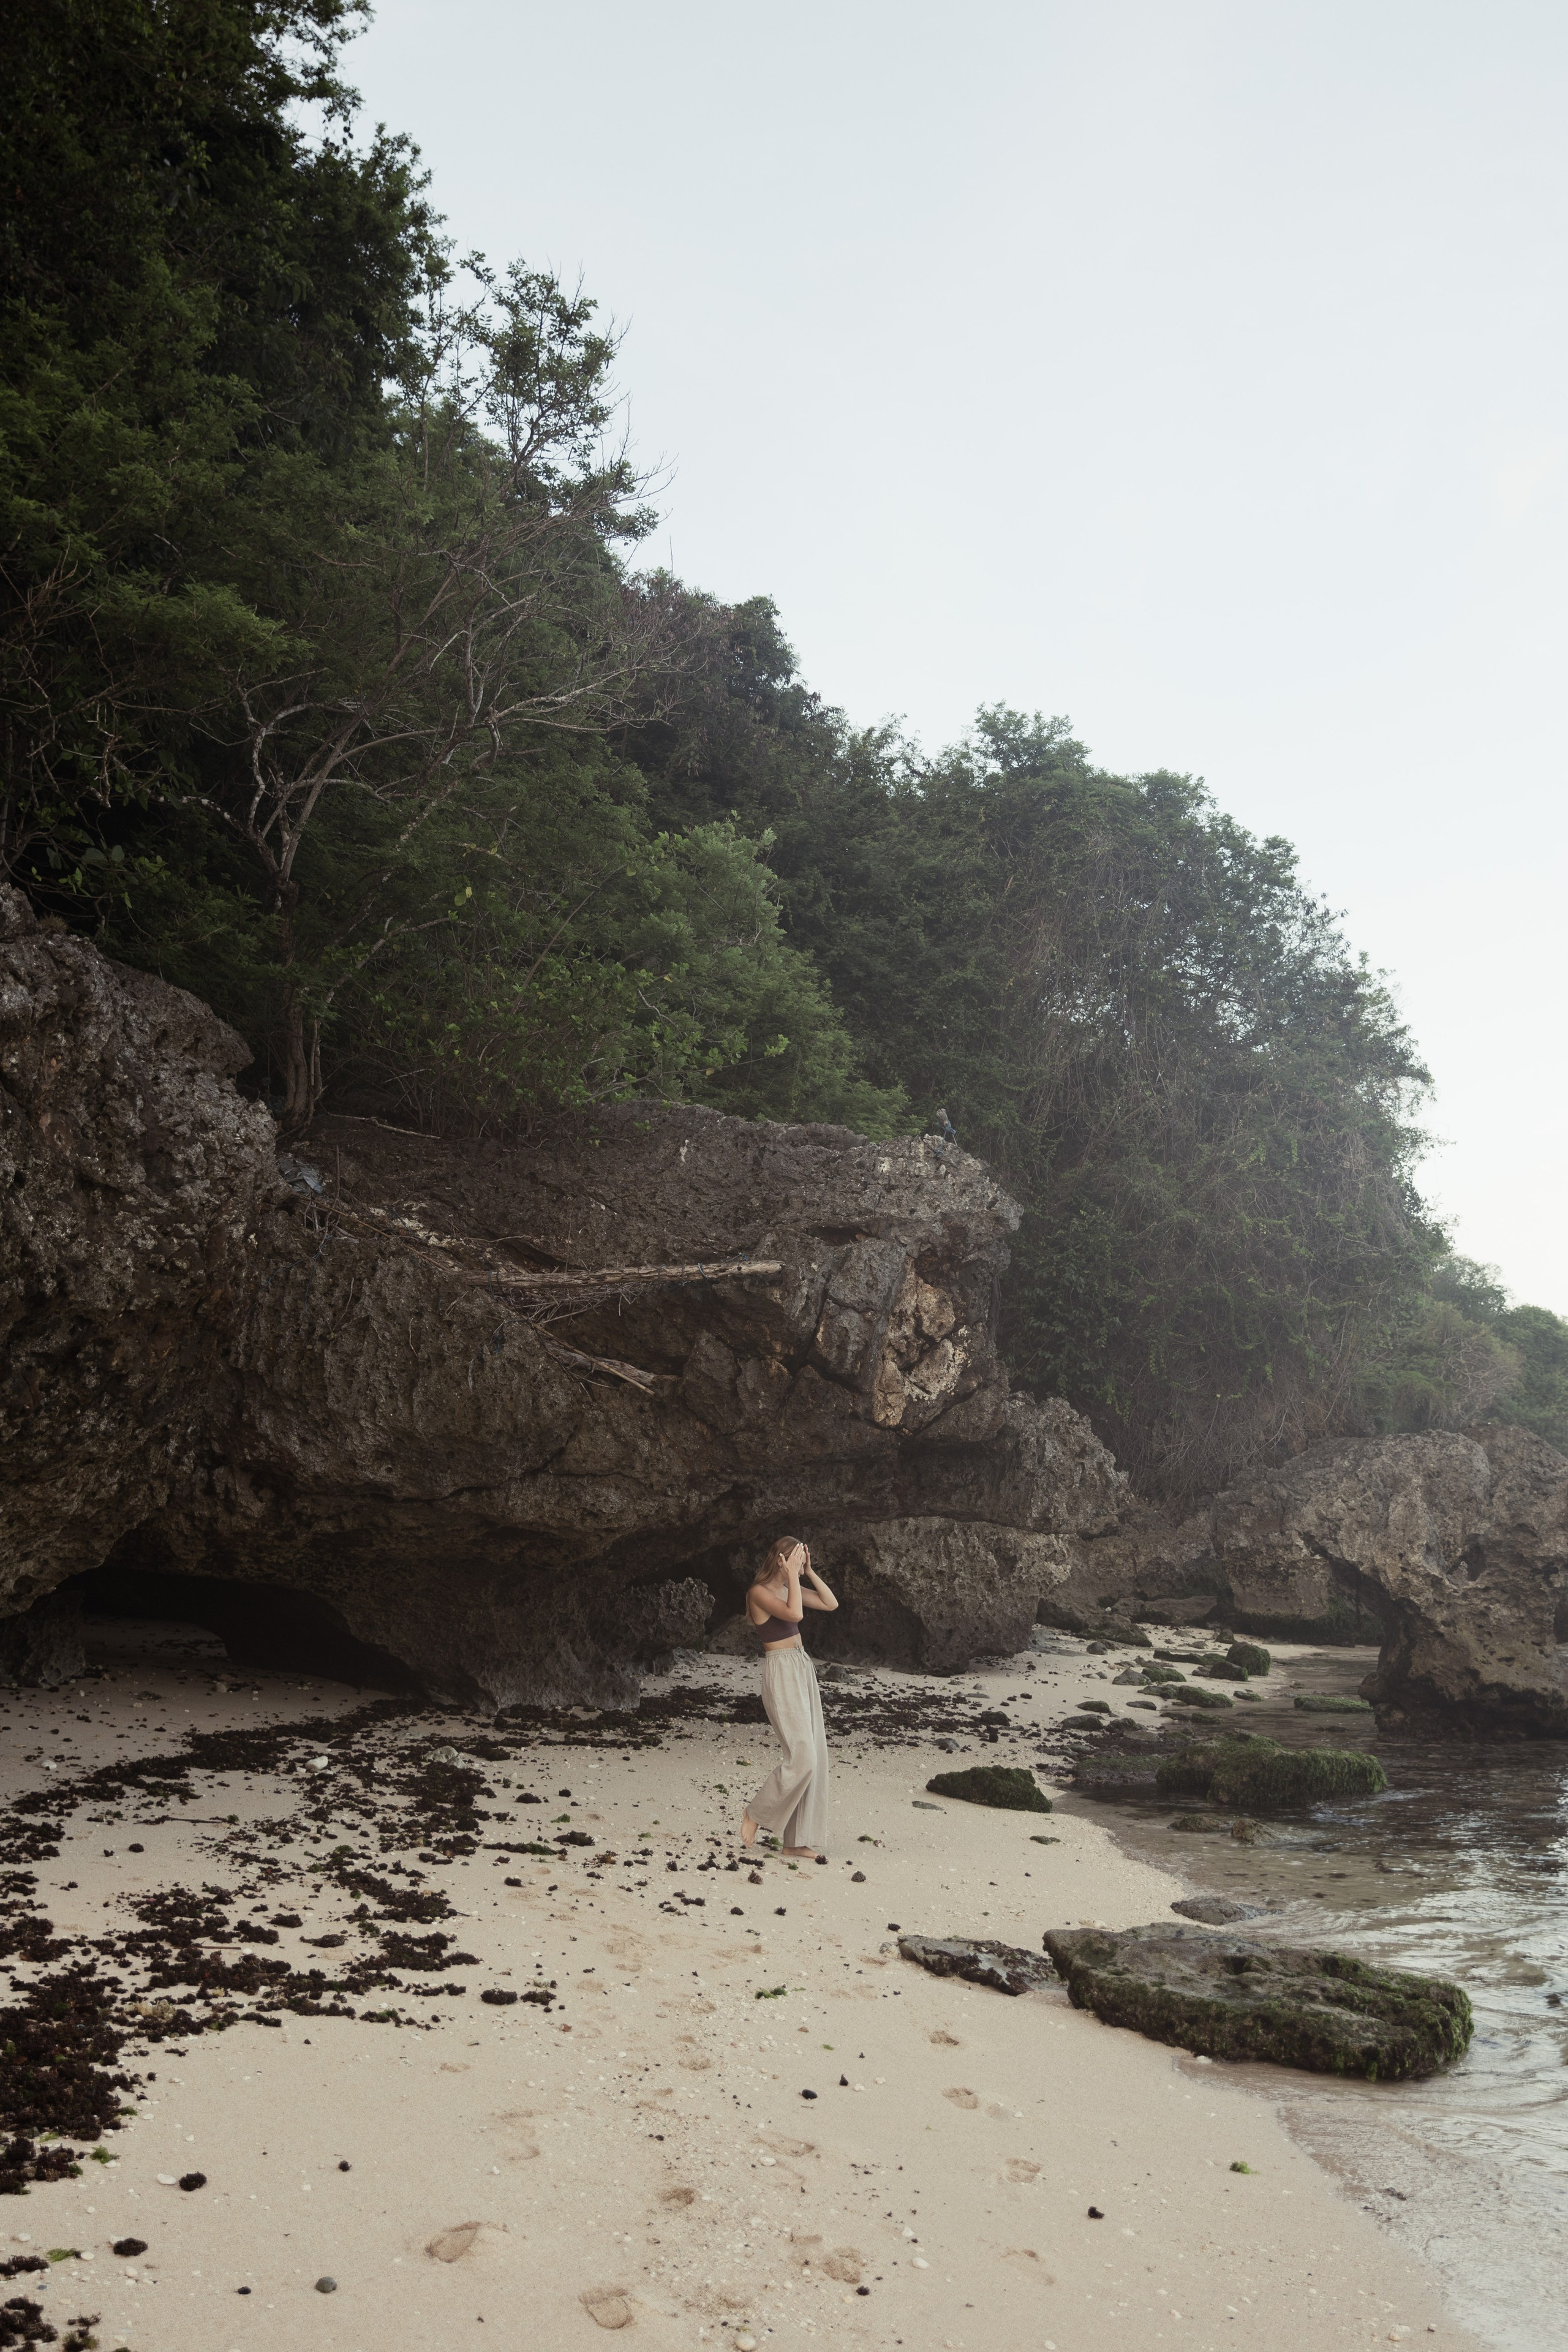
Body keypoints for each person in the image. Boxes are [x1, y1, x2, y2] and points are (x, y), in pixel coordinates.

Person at [740, 1537, 838, 1861]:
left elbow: (830, 1604)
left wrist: (808, 1572)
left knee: (816, 1757)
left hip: (802, 1667)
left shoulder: (790, 1586)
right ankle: (756, 1812)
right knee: (802, 1756)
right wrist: (793, 1576)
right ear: (781, 1560)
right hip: (782, 1671)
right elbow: (794, 1614)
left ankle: (795, 1842)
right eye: (795, 1559)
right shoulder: (759, 1592)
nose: (798, 1564)